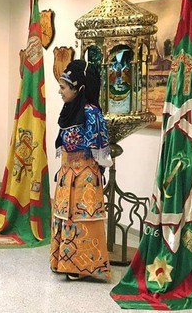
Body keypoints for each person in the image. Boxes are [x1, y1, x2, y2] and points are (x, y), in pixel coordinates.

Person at [51, 59, 113, 280]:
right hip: (67, 173)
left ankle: (83, 265)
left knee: (82, 219)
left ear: (79, 89)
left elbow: (101, 148)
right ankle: (64, 261)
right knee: (64, 217)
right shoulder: (69, 109)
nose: (60, 92)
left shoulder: (91, 113)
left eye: (64, 87)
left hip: (85, 175)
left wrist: (93, 171)